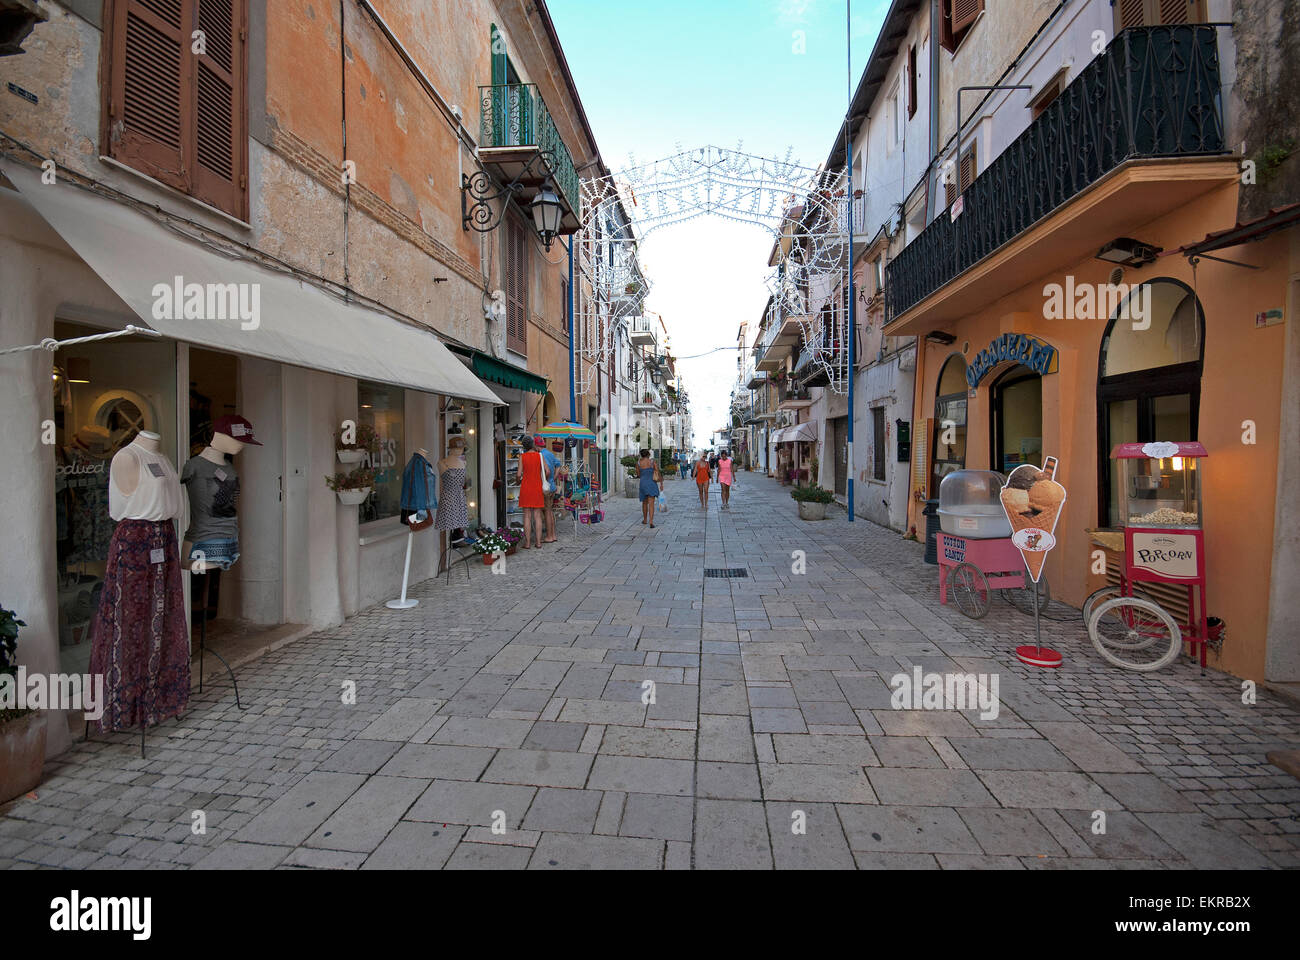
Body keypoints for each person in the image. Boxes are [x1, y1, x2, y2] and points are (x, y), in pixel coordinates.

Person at [518, 435, 546, 549]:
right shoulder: (539, 456)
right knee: (537, 516)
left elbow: (519, 474)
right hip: (537, 488)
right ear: (533, 444)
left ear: (524, 446)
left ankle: (528, 543)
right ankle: (538, 543)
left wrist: (517, 480)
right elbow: (547, 471)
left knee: (527, 516)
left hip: (526, 487)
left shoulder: (522, 457)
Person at [539, 441, 562, 544]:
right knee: (550, 511)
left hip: (546, 487)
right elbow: (558, 465)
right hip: (551, 486)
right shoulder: (550, 453)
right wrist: (554, 477)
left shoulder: (541, 455)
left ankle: (549, 536)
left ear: (536, 446)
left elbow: (546, 470)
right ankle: (553, 535)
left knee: (547, 512)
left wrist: (546, 480)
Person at [637, 448, 661, 528]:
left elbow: (638, 475)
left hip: (643, 483)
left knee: (644, 503)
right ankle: (651, 521)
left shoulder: (639, 463)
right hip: (652, 483)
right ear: (648, 454)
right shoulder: (652, 462)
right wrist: (661, 483)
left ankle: (645, 519)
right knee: (651, 504)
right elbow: (657, 472)